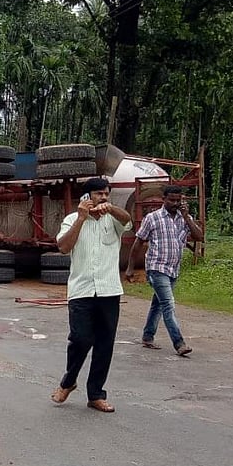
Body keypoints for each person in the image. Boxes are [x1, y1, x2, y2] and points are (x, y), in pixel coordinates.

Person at [51, 177, 132, 413]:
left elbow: (127, 220)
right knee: (80, 339)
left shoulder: (113, 220)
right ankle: (68, 381)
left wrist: (112, 209)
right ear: (86, 197)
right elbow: (63, 247)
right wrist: (81, 218)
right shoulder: (71, 220)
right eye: (98, 194)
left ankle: (96, 394)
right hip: (81, 290)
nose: (103, 198)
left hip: (109, 290)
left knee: (105, 344)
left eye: (106, 193)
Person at [125, 185, 204, 357]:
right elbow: (138, 242)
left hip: (173, 269)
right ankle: (179, 343)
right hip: (156, 267)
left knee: (158, 304)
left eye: (178, 200)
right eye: (172, 200)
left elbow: (199, 236)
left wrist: (187, 217)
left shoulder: (184, 218)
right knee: (168, 304)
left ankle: (147, 336)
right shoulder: (152, 218)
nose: (175, 203)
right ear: (164, 199)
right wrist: (130, 267)